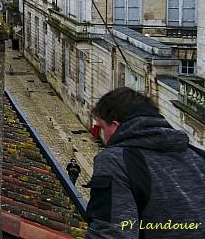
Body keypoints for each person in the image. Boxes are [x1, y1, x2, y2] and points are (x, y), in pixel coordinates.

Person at [86, 87, 205, 238]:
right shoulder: (200, 157)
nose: (103, 135)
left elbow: (112, 233)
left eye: (102, 128)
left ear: (115, 126)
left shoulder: (115, 160)